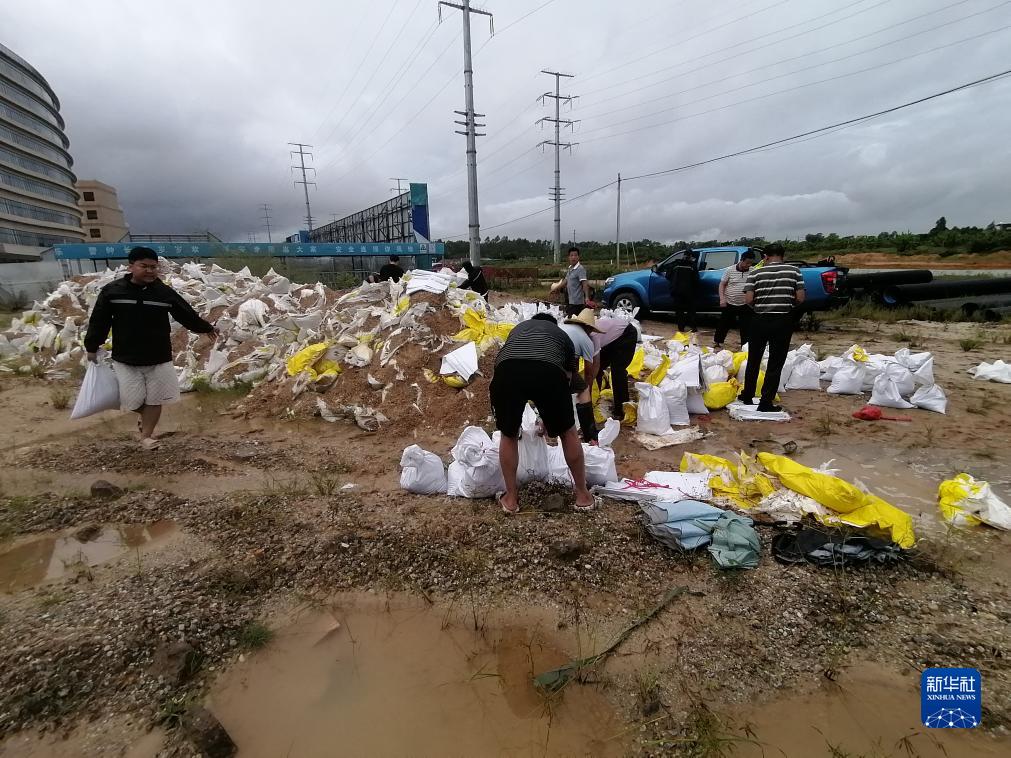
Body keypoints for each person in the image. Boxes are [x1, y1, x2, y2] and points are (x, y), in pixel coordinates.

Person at [83, 247, 217, 449]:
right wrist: (92, 346)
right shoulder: (113, 291)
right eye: (143, 266)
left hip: (159, 355)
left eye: (153, 267)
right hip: (126, 357)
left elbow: (185, 313)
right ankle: (144, 418)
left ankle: (146, 436)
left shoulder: (163, 293)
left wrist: (205, 328)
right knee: (132, 401)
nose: (149, 271)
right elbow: (99, 321)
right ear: (131, 267)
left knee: (156, 398)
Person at [490, 315, 596, 514]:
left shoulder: (518, 329)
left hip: (507, 370)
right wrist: (554, 417)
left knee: (509, 434)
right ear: (553, 325)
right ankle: (583, 496)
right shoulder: (562, 336)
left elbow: (506, 361)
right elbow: (567, 378)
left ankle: (511, 499)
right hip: (549, 371)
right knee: (568, 433)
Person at [739, 243, 805, 413]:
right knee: (775, 363)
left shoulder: (755, 272)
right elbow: (800, 298)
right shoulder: (794, 271)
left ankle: (747, 395)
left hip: (759, 320)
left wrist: (759, 308)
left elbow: (748, 300)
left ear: (765, 256)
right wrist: (787, 307)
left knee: (754, 359)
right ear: (783, 256)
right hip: (782, 321)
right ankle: (765, 402)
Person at [558, 309, 605, 443]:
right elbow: (589, 372)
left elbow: (573, 364)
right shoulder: (586, 340)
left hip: (542, 359)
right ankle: (589, 434)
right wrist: (587, 392)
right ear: (589, 327)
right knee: (582, 389)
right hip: (558, 364)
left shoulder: (563, 327)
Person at [583, 313, 639, 421]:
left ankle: (621, 408)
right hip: (611, 338)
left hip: (626, 334)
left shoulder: (593, 336)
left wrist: (588, 385)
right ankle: (594, 398)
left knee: (617, 371)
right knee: (598, 371)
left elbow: (595, 364)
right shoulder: (583, 335)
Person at [714, 250, 756, 349]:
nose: (749, 265)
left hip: (745, 304)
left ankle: (745, 346)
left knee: (746, 327)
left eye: (751, 263)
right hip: (729, 302)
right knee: (724, 324)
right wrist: (722, 299)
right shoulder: (730, 270)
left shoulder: (753, 271)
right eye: (747, 262)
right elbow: (722, 284)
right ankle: (718, 342)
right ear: (741, 260)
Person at [550, 246, 590, 316]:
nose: (573, 257)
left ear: (578, 257)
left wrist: (586, 298)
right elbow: (565, 281)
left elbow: (584, 283)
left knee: (572, 322)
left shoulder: (580, 269)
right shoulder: (570, 268)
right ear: (569, 257)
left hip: (577, 302)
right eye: (571, 255)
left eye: (575, 255)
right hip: (570, 300)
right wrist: (555, 289)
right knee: (570, 319)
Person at [668, 251, 699, 331]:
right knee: (691, 310)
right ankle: (693, 327)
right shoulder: (692, 265)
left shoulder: (675, 264)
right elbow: (696, 279)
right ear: (691, 256)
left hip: (677, 291)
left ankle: (681, 328)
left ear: (683, 255)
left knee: (679, 311)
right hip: (689, 291)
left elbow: (668, 275)